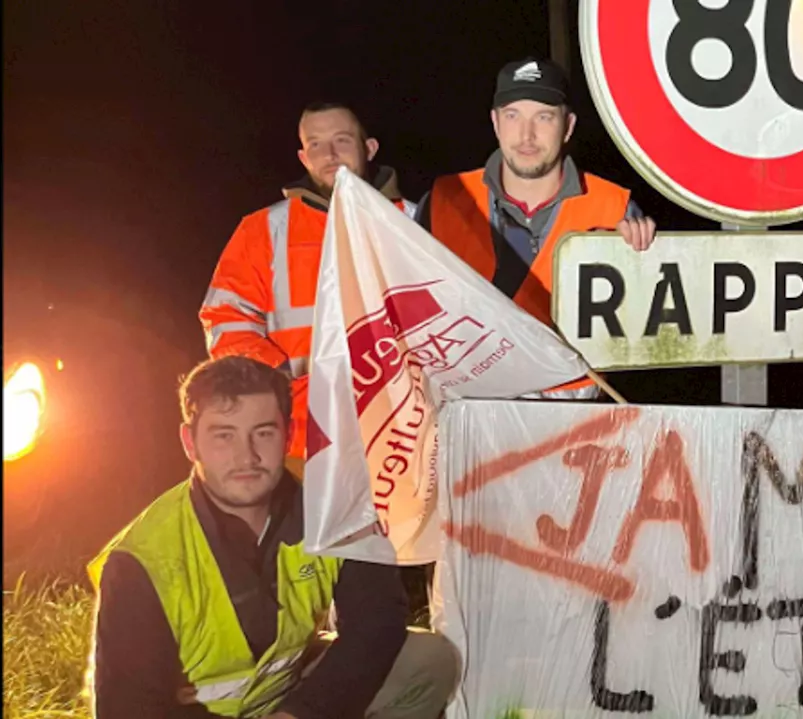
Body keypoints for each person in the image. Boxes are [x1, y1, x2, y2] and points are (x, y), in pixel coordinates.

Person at [84, 355, 460, 718]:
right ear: (189, 442)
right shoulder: (143, 561)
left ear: (289, 434)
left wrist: (302, 713)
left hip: (282, 696)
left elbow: (377, 621)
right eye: (223, 436)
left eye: (263, 432)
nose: (246, 456)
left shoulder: (333, 506)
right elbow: (127, 709)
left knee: (427, 662)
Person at [413, 56, 656, 401]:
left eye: (544, 117)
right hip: (466, 410)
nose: (527, 135)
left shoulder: (615, 208)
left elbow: (645, 335)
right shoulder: (443, 201)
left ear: (568, 126)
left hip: (572, 420)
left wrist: (643, 261)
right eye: (513, 116)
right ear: (495, 122)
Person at [199, 102, 417, 475]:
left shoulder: (416, 221)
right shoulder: (263, 230)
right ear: (302, 156)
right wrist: (282, 382)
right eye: (315, 144)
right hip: (302, 442)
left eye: (342, 141)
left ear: (370, 148)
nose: (329, 155)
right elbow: (226, 320)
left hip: (406, 439)